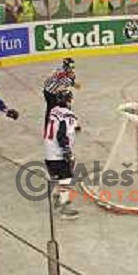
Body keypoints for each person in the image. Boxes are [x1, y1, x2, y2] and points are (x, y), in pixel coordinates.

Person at [44, 90, 79, 220]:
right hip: (58, 153)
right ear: (69, 100)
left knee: (60, 178)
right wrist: (66, 151)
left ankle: (56, 196)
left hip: (48, 152)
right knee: (66, 180)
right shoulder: (69, 115)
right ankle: (64, 208)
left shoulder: (54, 111)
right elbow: (62, 134)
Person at [42, 58, 80, 130]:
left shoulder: (61, 69)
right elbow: (74, 84)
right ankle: (49, 129)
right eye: (70, 67)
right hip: (50, 93)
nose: (72, 68)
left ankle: (69, 124)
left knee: (65, 107)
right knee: (52, 110)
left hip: (49, 90)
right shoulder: (62, 74)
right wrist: (73, 80)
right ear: (66, 66)